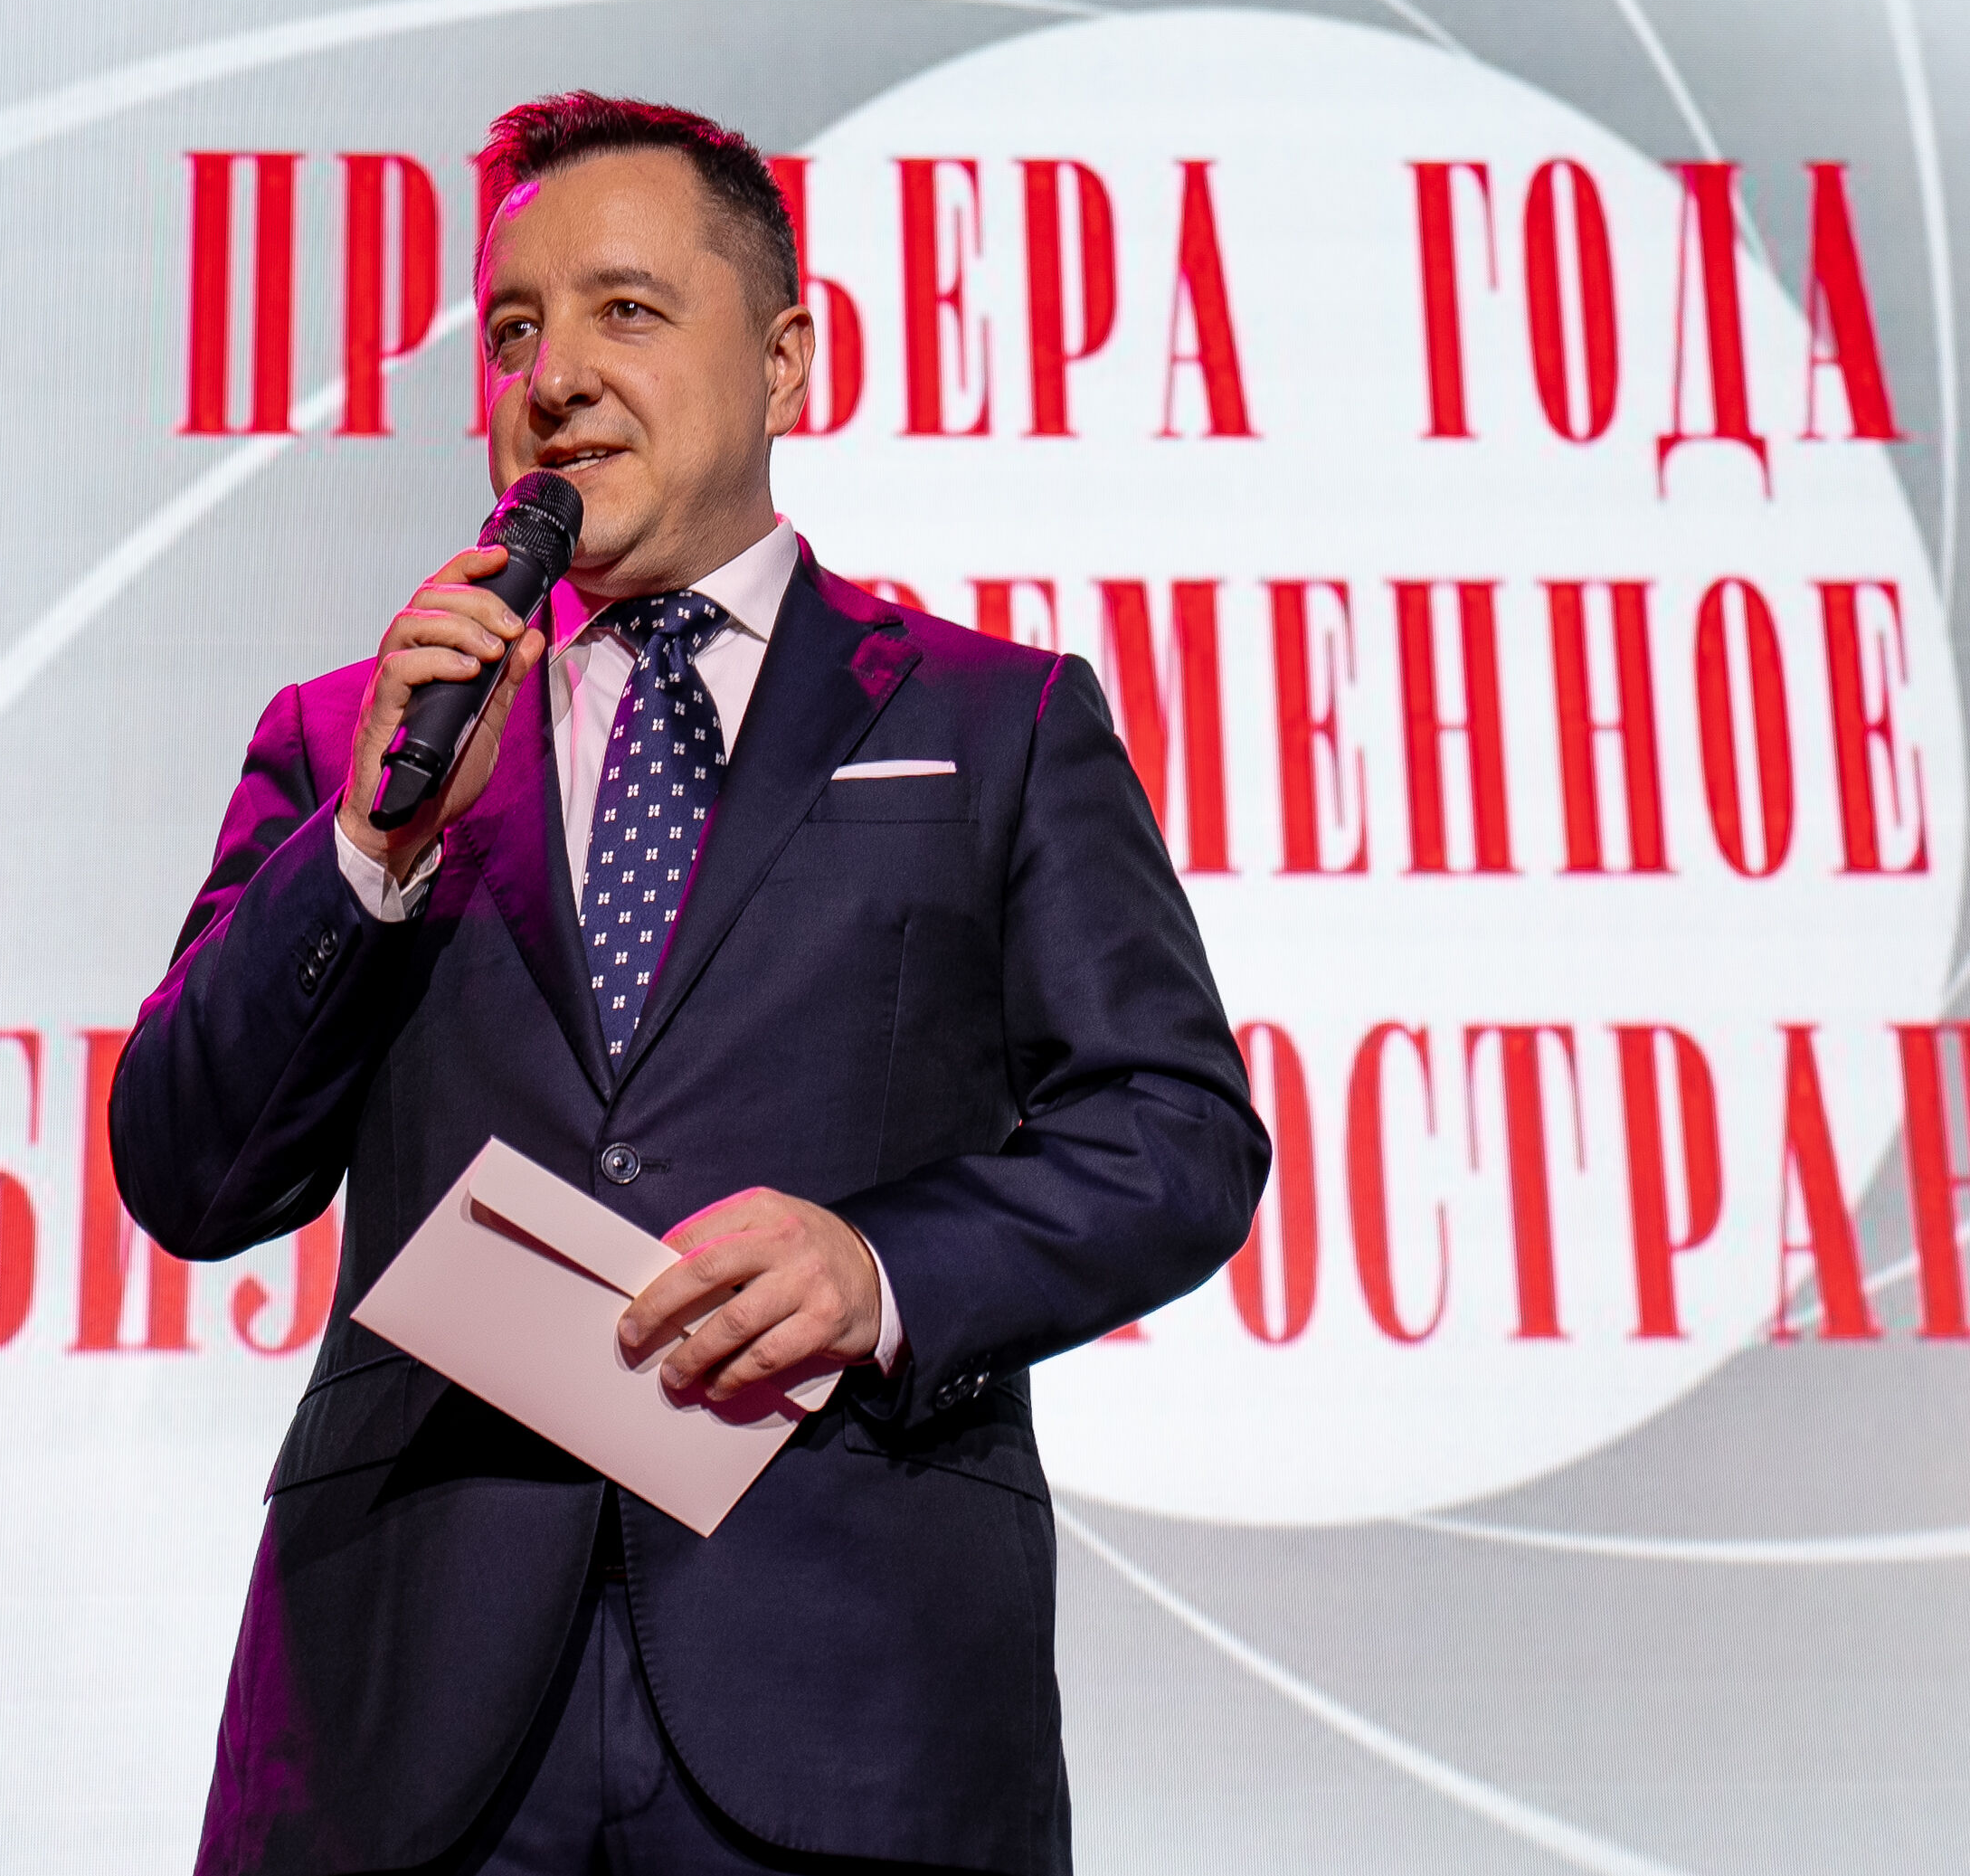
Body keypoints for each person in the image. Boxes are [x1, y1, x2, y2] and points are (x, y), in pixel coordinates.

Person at [111, 91, 1268, 1876]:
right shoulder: (353, 739)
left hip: (846, 1689)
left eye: (627, 311)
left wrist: (882, 1267)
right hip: (409, 1712)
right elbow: (191, 1173)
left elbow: (1171, 1132)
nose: (554, 375)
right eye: (514, 330)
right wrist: (368, 856)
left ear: (785, 359)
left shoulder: (995, 719)